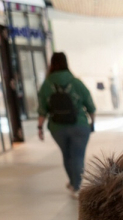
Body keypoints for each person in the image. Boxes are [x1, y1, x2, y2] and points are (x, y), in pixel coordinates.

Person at [37, 52, 95, 198]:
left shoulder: (46, 84)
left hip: (57, 127)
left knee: (67, 155)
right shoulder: (75, 82)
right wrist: (92, 122)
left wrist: (40, 128)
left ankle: (73, 182)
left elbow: (42, 109)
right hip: (79, 125)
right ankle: (77, 186)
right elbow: (90, 104)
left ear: (51, 64)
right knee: (78, 156)